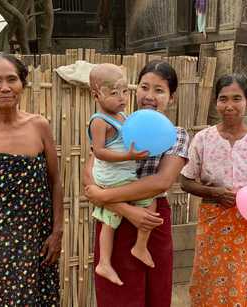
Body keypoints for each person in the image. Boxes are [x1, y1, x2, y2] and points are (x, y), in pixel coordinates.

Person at [83, 59, 189, 307]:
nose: (150, 96)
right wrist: (124, 209)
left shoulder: (177, 134)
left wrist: (105, 197)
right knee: (117, 296)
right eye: (144, 87)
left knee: (155, 293)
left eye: (159, 90)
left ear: (171, 97)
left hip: (151, 220)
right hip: (115, 217)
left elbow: (160, 182)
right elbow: (90, 174)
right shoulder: (119, 126)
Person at [0, 53, 63, 305]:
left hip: (40, 236)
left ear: (22, 84)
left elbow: (55, 181)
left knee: (45, 299)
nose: (4, 88)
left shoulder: (39, 125)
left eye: (11, 79)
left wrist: (57, 232)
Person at [180, 73, 247, 306]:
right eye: (223, 99)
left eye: (236, 99)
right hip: (213, 225)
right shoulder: (203, 139)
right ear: (216, 102)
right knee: (212, 282)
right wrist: (214, 193)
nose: (229, 106)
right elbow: (185, 182)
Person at [87, 63, 155, 286]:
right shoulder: (99, 121)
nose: (122, 97)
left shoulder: (123, 116)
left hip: (122, 174)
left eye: (125, 91)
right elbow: (99, 152)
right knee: (145, 204)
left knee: (113, 217)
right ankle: (129, 251)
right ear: (97, 94)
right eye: (114, 92)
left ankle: (119, 256)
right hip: (112, 177)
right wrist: (129, 156)